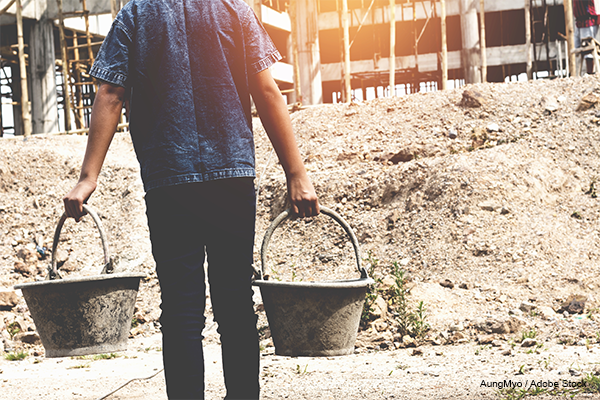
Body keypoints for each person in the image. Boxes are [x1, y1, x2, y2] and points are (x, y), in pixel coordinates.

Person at [62, 0, 320, 399]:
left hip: (169, 182)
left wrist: (87, 178)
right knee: (235, 304)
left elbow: (111, 93)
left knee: (181, 310)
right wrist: (297, 174)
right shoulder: (234, 9)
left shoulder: (134, 15)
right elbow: (266, 89)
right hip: (231, 178)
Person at [574, 0, 600, 74]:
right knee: (578, 48)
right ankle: (583, 73)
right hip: (580, 22)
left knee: (588, 47)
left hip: (588, 21)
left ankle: (590, 72)